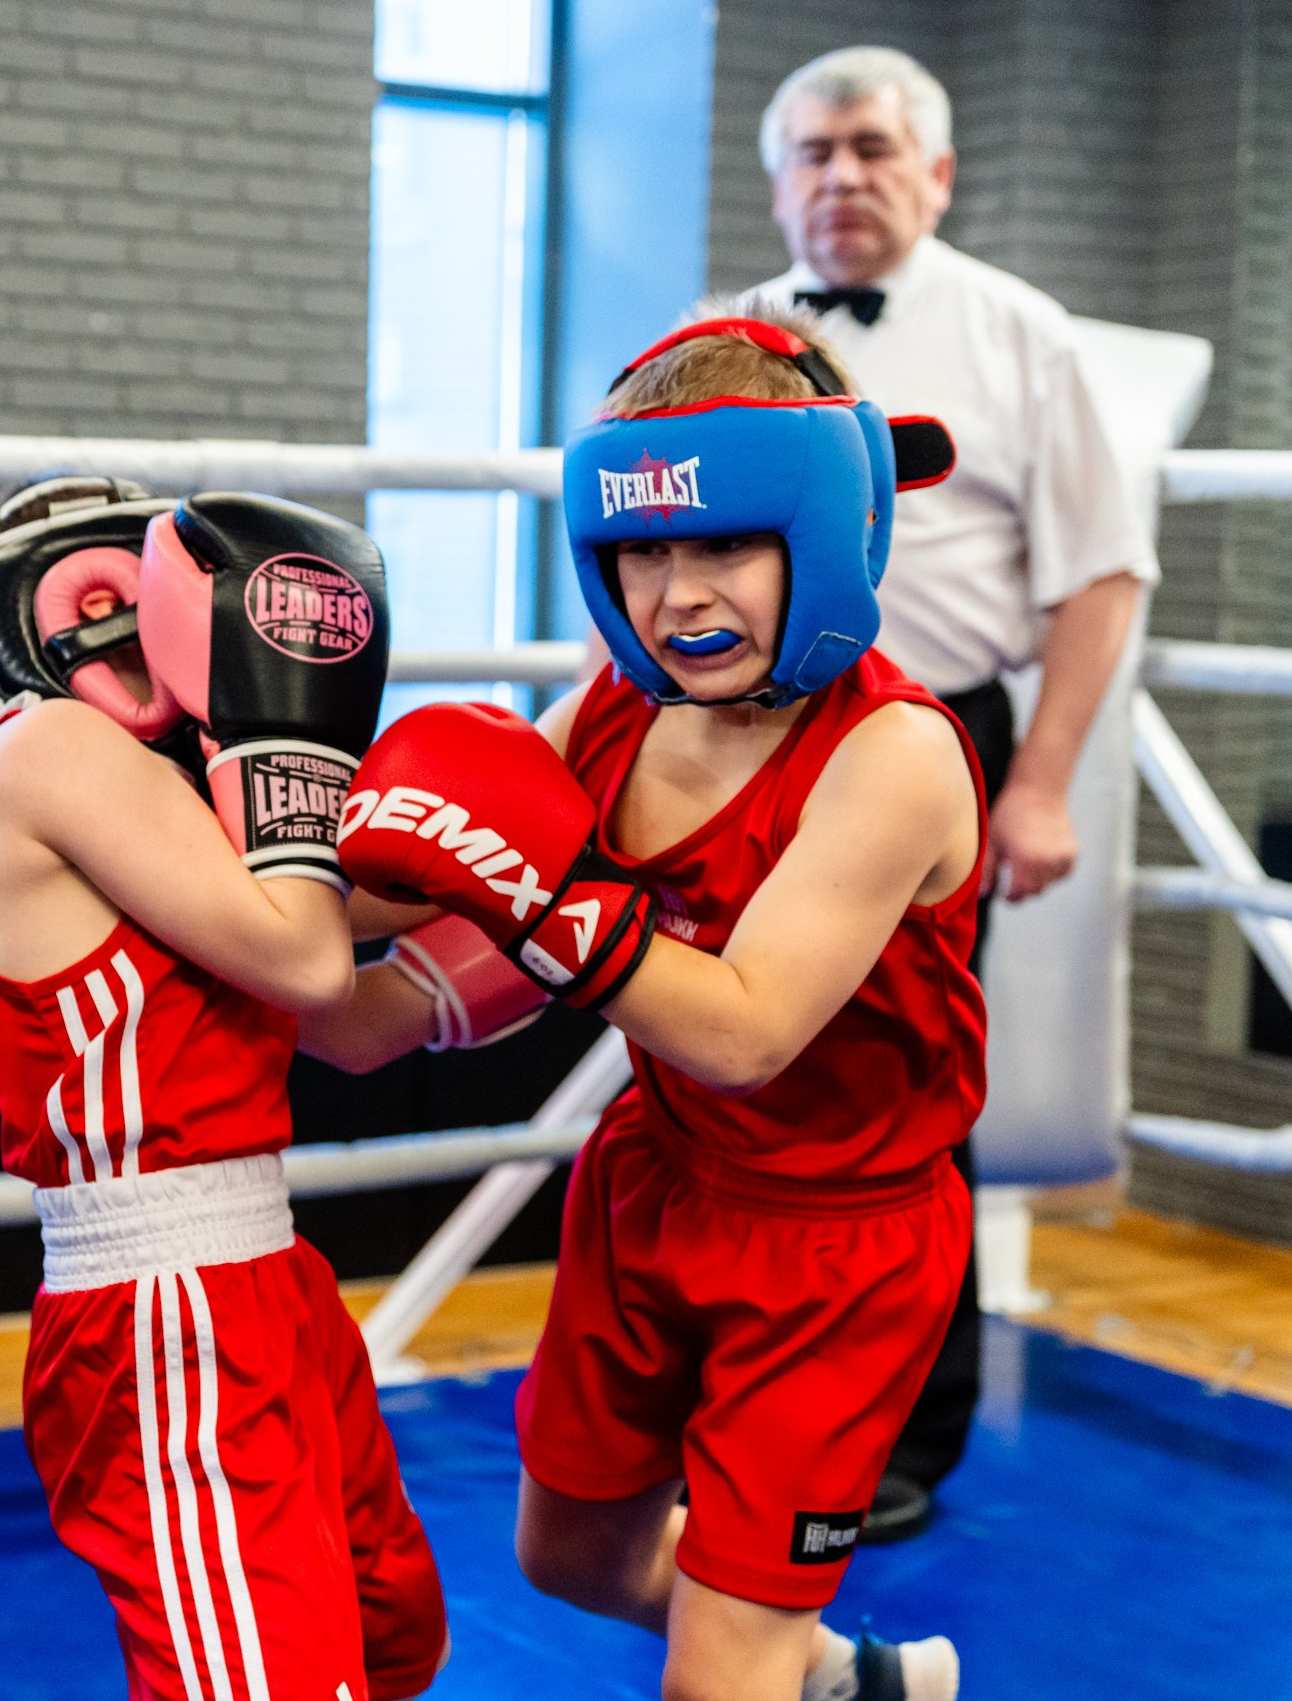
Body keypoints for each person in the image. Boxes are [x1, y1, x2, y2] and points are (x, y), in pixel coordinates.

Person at [325, 310, 974, 1701]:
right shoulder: (618, 710)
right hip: (654, 1182)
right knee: (567, 1554)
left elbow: (743, 1027)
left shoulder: (897, 752)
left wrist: (536, 897)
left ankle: (765, 1662)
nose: (681, 593)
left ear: (833, 528)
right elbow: (418, 890)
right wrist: (209, 842)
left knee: (715, 1669)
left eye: (725, 542)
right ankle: (841, 1684)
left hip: (836, 1244)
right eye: (647, 548)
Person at [0, 475, 448, 1701]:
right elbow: (313, 958)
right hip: (163, 1307)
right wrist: (288, 739)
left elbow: (367, 916)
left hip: (269, 1279)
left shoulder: (166, 800)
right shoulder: (43, 755)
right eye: (106, 602)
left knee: (389, 1635)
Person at [739, 44, 1158, 1537]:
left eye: (870, 147)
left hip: (935, 739)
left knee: (904, 1085)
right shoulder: (723, 341)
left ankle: (904, 1433)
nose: (841, 176)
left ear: (936, 172)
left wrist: (1039, 782)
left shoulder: (1020, 337)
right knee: (725, 1068)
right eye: (813, 153)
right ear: (778, 177)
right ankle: (734, 1405)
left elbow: (1104, 570)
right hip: (745, 737)